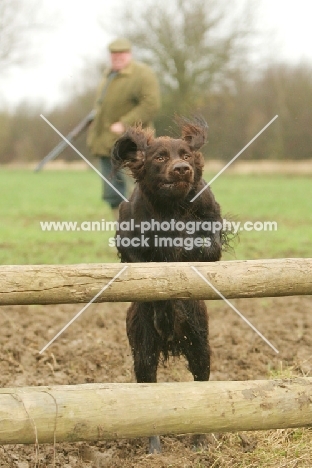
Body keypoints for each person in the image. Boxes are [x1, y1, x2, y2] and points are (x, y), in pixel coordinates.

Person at [87, 37, 161, 216]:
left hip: (132, 144)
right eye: (114, 54)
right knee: (113, 194)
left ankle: (148, 234)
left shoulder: (143, 74)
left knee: (138, 191)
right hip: (107, 144)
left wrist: (125, 123)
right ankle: (125, 233)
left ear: (129, 54)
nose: (117, 58)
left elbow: (151, 104)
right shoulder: (108, 75)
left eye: (121, 54)